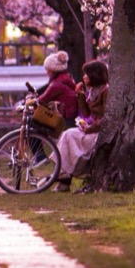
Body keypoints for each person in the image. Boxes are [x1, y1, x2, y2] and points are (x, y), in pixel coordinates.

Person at [54, 60, 109, 191]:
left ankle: (64, 177)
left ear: (94, 75)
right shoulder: (93, 90)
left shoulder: (106, 90)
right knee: (67, 134)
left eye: (86, 74)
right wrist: (80, 95)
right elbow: (86, 113)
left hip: (100, 131)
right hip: (92, 128)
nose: (84, 77)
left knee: (71, 138)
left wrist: (90, 128)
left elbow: (107, 118)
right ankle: (63, 175)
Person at [37, 50, 78, 124]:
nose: (46, 72)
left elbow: (42, 100)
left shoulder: (56, 84)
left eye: (48, 70)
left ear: (53, 70)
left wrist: (31, 100)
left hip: (65, 117)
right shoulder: (67, 77)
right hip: (71, 114)